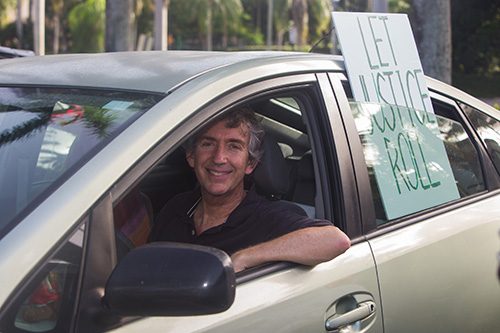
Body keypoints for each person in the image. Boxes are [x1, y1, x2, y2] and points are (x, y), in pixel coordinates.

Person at [148, 107, 350, 272]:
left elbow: (335, 240)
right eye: (208, 144)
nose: (219, 158)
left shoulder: (268, 218)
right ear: (191, 156)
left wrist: (245, 257)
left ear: (251, 163)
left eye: (234, 146)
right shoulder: (175, 208)